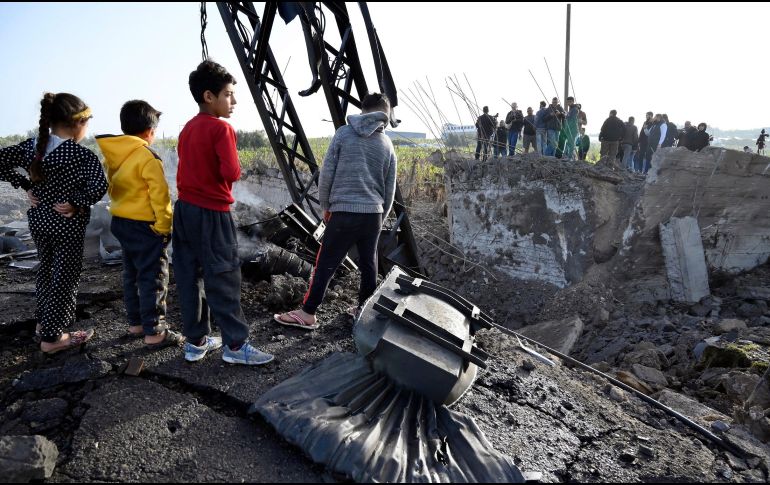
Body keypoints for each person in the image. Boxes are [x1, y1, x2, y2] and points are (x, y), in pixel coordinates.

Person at [173, 60, 273, 365]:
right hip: (212, 213)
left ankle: (196, 342)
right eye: (228, 94)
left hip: (184, 211)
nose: (234, 101)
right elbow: (231, 171)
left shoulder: (188, 128)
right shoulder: (221, 128)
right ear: (209, 96)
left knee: (190, 276)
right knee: (224, 276)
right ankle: (235, 345)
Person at [274, 93, 397, 330]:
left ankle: (308, 313)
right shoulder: (387, 145)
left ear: (363, 110)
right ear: (385, 115)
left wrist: (326, 207)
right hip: (373, 214)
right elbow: (389, 190)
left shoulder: (344, 134)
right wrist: (380, 217)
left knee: (326, 262)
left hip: (344, 212)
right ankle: (363, 311)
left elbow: (327, 174)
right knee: (369, 264)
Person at [0, 92, 107, 354]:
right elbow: (100, 186)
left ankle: (44, 323)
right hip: (66, 223)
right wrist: (76, 202)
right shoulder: (80, 155)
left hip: (39, 222)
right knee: (65, 277)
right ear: (77, 123)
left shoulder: (30, 147)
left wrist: (25, 186)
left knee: (46, 270)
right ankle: (52, 337)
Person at [96, 101, 183, 349]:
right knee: (153, 277)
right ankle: (155, 332)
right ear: (149, 131)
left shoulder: (115, 155)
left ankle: (136, 324)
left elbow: (112, 188)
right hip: (146, 227)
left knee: (131, 274)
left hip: (122, 223)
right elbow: (160, 197)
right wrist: (165, 227)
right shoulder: (148, 156)